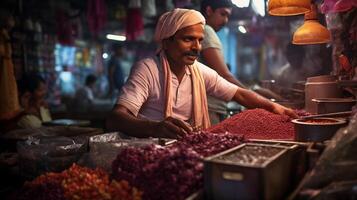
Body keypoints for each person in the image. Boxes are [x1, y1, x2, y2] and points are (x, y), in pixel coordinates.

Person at [106, 8, 297, 139]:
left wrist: (274, 108)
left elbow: (238, 93)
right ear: (166, 41)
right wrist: (155, 128)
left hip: (184, 151)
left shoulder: (198, 71)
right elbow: (116, 118)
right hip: (146, 151)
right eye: (188, 39)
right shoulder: (147, 70)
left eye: (199, 40)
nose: (196, 47)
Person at [200, 0, 282, 124]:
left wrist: (253, 93)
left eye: (228, 16)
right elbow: (225, 75)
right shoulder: (206, 30)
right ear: (209, 11)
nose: (226, 20)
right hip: (209, 108)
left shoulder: (206, 32)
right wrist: (254, 98)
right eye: (223, 14)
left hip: (210, 107)